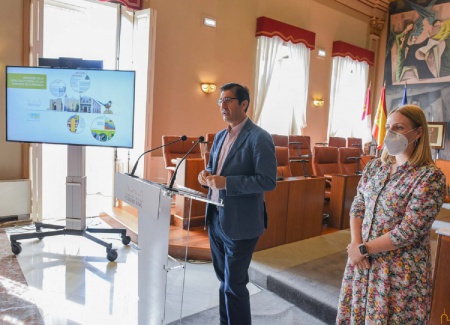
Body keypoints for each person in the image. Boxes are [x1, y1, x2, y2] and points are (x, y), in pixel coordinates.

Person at [336, 104, 446, 324]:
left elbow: (410, 230)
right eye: (388, 127)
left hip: (397, 271)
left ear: (418, 132)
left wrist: (364, 249)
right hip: (361, 261)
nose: (391, 133)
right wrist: (356, 245)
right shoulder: (375, 166)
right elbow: (358, 204)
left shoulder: (430, 177)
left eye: (399, 127)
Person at [198, 82, 277, 324]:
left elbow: (267, 181)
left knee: (234, 284)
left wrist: (227, 183)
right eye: (220, 100)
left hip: (241, 223)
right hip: (216, 218)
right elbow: (215, 169)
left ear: (244, 104)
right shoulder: (220, 136)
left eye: (228, 100)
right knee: (224, 281)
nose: (222, 105)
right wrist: (206, 177)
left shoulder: (260, 138)